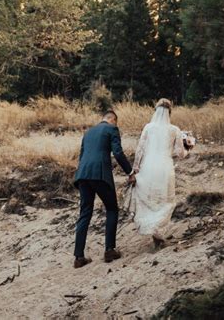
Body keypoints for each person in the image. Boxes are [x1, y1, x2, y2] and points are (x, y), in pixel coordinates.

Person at [124, 98, 191, 248]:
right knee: (165, 201)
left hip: (148, 167)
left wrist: (135, 170)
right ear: (170, 112)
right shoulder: (175, 129)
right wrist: (188, 147)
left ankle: (155, 233)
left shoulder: (148, 127)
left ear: (156, 111)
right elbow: (180, 153)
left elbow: (140, 150)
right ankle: (157, 232)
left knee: (150, 199)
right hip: (165, 168)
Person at [73, 109, 135, 268]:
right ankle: (109, 249)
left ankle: (79, 257)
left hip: (82, 175)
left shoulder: (88, 132)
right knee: (112, 208)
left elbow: (82, 156)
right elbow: (118, 153)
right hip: (99, 175)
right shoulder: (112, 129)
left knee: (85, 213)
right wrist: (130, 172)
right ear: (113, 120)